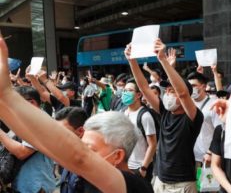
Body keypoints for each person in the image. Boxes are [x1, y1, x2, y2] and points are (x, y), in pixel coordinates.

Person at [0, 34, 154, 193]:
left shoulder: (135, 187)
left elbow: (79, 157)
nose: (81, 151)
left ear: (117, 156)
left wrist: (7, 95)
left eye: (90, 150)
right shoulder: (82, 178)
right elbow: (42, 142)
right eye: (82, 145)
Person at [124, 39, 203, 193]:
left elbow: (182, 93)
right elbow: (144, 88)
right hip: (160, 181)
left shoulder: (193, 118)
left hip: (183, 184)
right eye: (166, 90)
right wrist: (132, 60)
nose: (167, 93)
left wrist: (163, 60)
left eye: (171, 91)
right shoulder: (165, 113)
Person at [0, 86, 56, 193]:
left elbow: (22, 152)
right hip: (26, 184)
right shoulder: (27, 120)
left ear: (31, 103)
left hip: (35, 186)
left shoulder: (41, 122)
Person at [122, 78, 157, 181]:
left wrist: (143, 167)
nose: (125, 93)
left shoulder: (145, 116)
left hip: (140, 167)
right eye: (124, 90)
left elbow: (152, 144)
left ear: (139, 95)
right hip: (127, 166)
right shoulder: (124, 113)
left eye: (129, 90)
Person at [187, 72, 221, 167]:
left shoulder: (214, 105)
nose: (191, 88)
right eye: (189, 86)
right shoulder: (187, 105)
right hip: (189, 157)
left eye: (194, 85)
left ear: (204, 86)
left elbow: (219, 131)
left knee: (205, 182)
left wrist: (210, 152)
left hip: (207, 158)